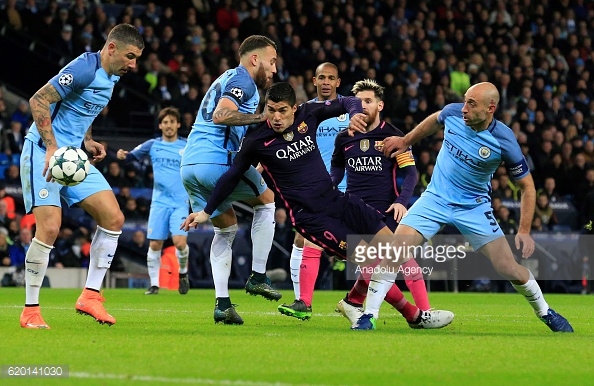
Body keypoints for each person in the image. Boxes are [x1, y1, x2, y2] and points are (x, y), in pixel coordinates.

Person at [181, 82, 454, 329]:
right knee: (371, 261)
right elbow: (231, 177)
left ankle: (354, 303)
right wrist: (206, 211)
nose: (276, 117)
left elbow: (346, 101)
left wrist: (355, 112)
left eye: (282, 111)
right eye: (271, 110)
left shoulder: (308, 114)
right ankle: (415, 316)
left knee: (392, 251)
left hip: (339, 201)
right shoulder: (257, 142)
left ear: (294, 109)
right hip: (311, 217)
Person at [354, 82, 573, 332]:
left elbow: (528, 187)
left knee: (507, 267)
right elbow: (435, 120)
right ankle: (368, 316)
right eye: (465, 100)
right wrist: (405, 141)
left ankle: (546, 312)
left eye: (471, 103)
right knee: (394, 253)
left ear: (491, 108)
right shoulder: (453, 113)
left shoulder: (504, 141)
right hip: (435, 198)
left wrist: (523, 230)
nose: (464, 108)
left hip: (473, 207)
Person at [19, 23, 144, 329]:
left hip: (73, 156)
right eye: (130, 56)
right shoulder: (84, 68)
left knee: (113, 218)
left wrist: (87, 140)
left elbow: (83, 109)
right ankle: (30, 311)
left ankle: (89, 295)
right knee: (48, 229)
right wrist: (51, 147)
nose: (133, 64)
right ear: (111, 48)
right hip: (42, 153)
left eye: (137, 58)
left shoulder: (112, 76)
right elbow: (39, 100)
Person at [180, 35, 281, 325]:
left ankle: (222, 304)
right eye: (271, 62)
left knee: (225, 229)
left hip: (189, 165)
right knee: (267, 202)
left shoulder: (224, 77)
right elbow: (222, 114)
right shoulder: (244, 81)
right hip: (216, 160)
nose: (273, 70)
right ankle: (259, 276)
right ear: (254, 59)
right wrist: (260, 118)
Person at [330, 79, 431, 327]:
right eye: (358, 102)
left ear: (380, 104)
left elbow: (411, 174)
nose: (363, 106)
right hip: (354, 212)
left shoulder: (394, 136)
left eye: (368, 101)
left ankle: (423, 312)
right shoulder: (344, 138)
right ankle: (418, 315)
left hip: (385, 212)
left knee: (400, 261)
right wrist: (327, 189)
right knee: (378, 265)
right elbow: (336, 171)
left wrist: (401, 201)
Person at [116, 107, 191, 296]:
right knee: (155, 245)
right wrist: (122, 155)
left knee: (180, 243)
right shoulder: (152, 145)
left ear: (178, 124)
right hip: (159, 202)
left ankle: (183, 273)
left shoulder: (187, 146)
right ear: (160, 125)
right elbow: (131, 156)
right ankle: (154, 284)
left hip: (180, 202)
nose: (169, 125)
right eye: (165, 122)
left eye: (172, 122)